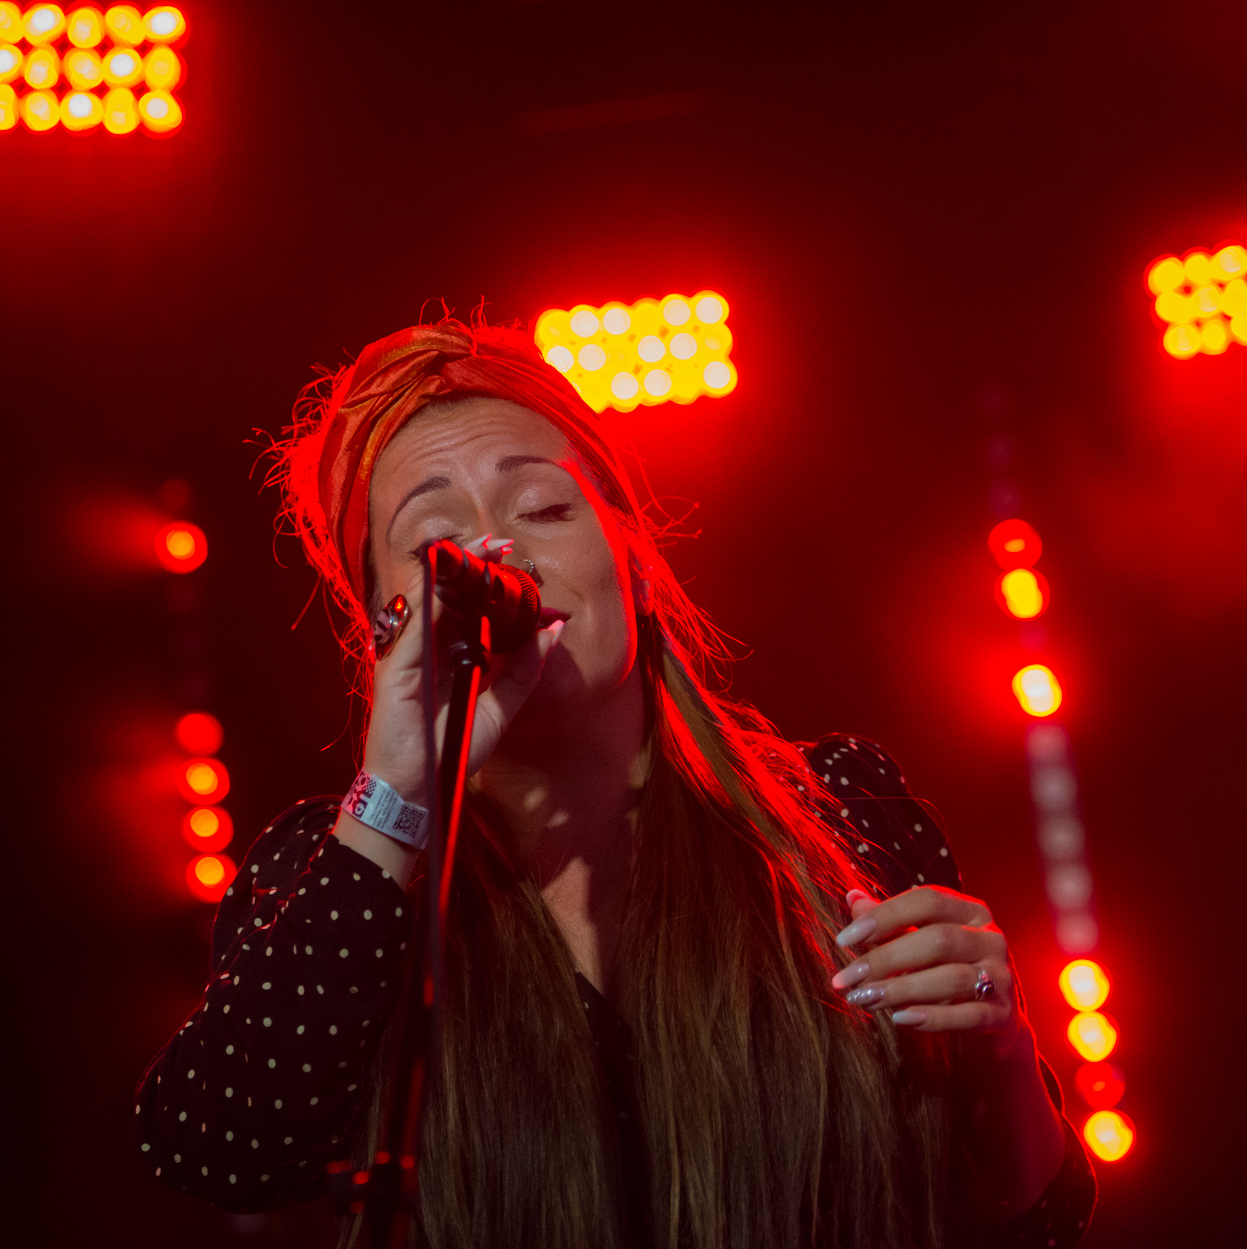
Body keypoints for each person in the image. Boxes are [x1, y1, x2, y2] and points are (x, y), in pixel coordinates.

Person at [135, 322, 1097, 1248]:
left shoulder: (839, 810)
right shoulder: (340, 878)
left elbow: (1037, 1218)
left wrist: (999, 1046)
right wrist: (395, 797)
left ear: (632, 555)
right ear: (385, 624)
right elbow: (215, 1148)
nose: (496, 554)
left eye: (543, 509)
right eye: (435, 541)